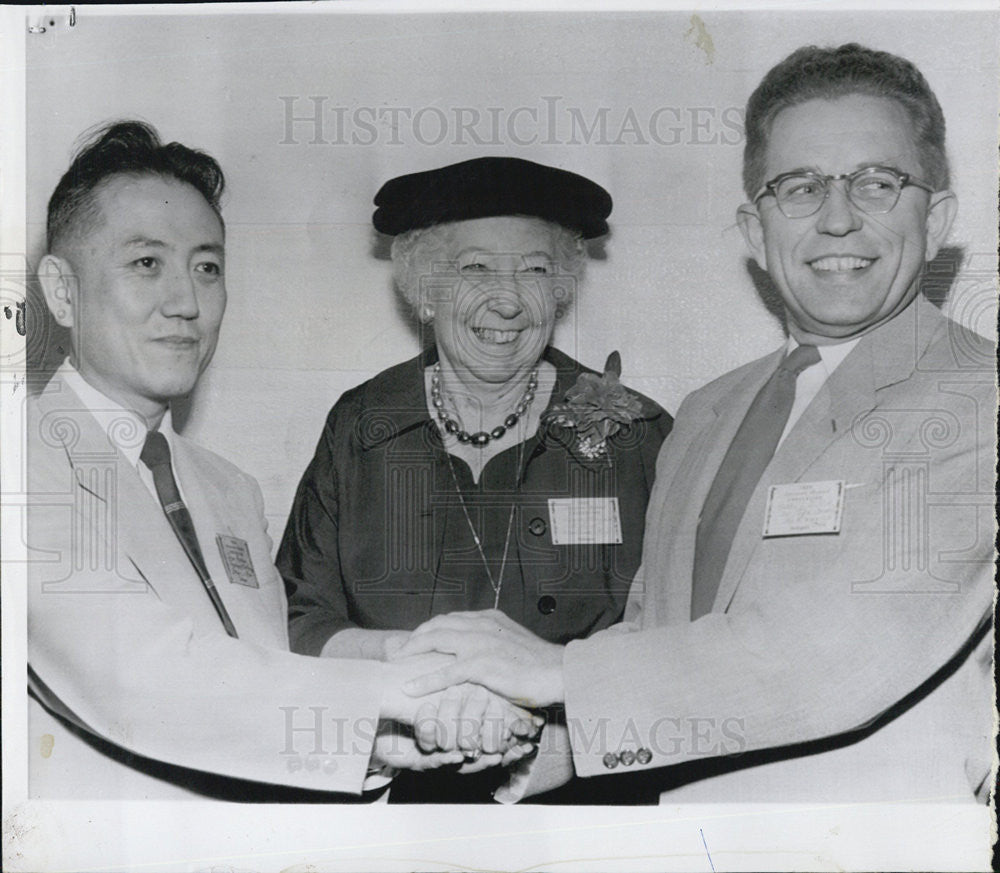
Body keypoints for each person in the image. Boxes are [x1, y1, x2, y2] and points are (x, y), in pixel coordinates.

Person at [399, 44, 996, 805]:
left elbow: (835, 651)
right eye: (801, 186)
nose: (839, 218)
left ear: (938, 217)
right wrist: (531, 740)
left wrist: (556, 673)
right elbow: (657, 631)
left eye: (878, 183)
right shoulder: (709, 411)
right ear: (755, 228)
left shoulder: (981, 399)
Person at [26, 121, 537, 801]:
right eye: (146, 263)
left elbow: (260, 678)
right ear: (61, 290)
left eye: (207, 267)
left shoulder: (226, 487)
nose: (186, 303)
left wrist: (382, 735)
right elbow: (134, 673)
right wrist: (407, 691)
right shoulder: (22, 461)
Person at [277, 156, 672, 802]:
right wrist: (409, 667)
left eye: (536, 269)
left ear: (563, 288)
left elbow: (681, 631)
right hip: (401, 796)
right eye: (475, 268)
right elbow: (298, 616)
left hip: (593, 797)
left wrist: (567, 726)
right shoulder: (362, 426)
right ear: (424, 290)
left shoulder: (638, 434)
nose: (509, 299)